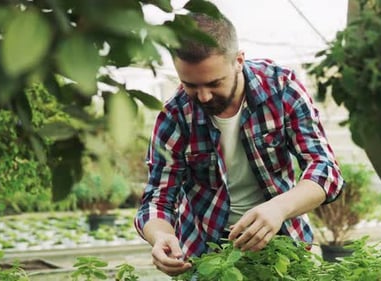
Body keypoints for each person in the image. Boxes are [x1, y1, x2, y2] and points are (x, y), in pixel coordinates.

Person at [134, 12, 345, 276]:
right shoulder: (175, 115)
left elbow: (325, 170)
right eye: (190, 85)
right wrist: (160, 236)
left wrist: (279, 208)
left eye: (214, 83)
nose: (203, 96)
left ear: (238, 61)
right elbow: (158, 196)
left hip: (282, 242)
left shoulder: (281, 90)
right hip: (206, 252)